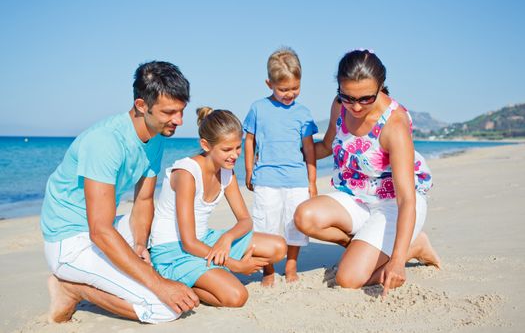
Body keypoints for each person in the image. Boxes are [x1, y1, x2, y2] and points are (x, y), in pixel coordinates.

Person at [40, 61, 200, 324]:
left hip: (103, 227)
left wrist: (139, 245)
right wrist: (159, 284)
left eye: (181, 111)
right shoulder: (105, 141)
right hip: (68, 241)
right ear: (141, 106)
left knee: (160, 234)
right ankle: (71, 287)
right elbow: (99, 231)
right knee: (165, 308)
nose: (179, 121)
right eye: (170, 112)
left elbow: (144, 199)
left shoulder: (156, 135)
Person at [294, 49, 440, 296]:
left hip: (392, 204)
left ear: (381, 86)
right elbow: (327, 146)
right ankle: (364, 247)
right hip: (355, 195)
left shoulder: (395, 124)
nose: (356, 107)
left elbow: (406, 200)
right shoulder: (340, 106)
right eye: (348, 97)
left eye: (365, 99)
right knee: (304, 217)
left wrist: (397, 260)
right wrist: (286, 152)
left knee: (348, 279)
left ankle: (413, 247)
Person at [149, 107, 287, 307]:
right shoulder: (187, 174)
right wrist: (236, 265)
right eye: (226, 149)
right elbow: (188, 242)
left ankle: (212, 271)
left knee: (278, 247)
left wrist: (226, 238)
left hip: (204, 240)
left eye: (238, 147)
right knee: (236, 297)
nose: (235, 155)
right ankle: (183, 282)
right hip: (174, 250)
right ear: (206, 145)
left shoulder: (226, 173)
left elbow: (245, 220)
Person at [243, 47, 318, 286]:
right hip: (266, 178)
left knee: (293, 224)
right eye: (283, 89)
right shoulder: (258, 108)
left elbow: (309, 149)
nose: (289, 94)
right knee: (266, 224)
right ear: (269, 84)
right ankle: (268, 269)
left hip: (297, 180)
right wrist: (248, 169)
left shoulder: (303, 113)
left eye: (295, 88)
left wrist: (312, 181)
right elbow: (249, 140)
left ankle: (291, 263)